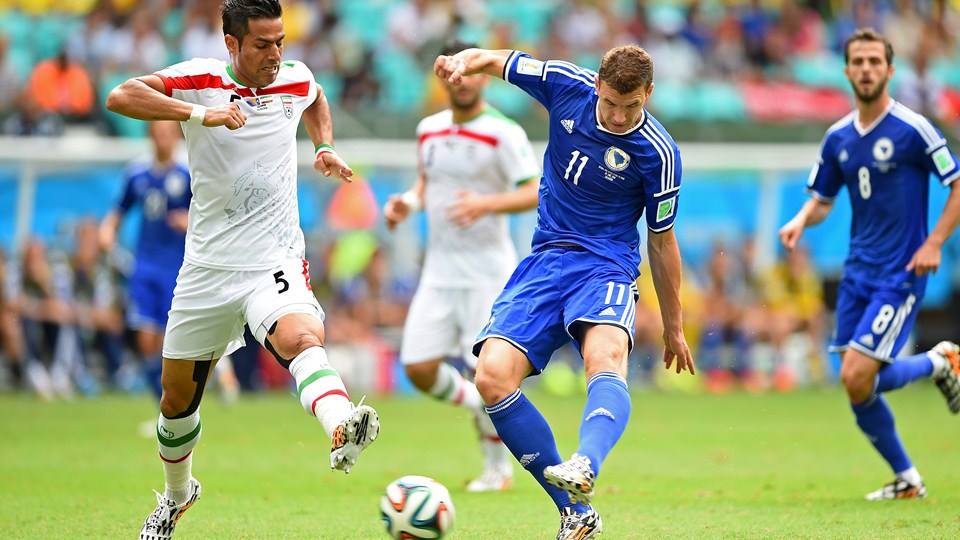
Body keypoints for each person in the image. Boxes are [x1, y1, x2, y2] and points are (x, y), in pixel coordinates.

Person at [105, 1, 380, 538]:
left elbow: (317, 95)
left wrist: (323, 145)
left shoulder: (293, 79)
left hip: (272, 256)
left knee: (302, 335)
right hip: (208, 266)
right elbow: (120, 95)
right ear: (232, 44)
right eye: (262, 44)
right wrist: (197, 113)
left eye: (280, 42)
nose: (275, 54)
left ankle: (341, 423)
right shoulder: (198, 79)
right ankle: (178, 497)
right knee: (175, 401)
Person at [434, 44, 695, 539]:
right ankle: (575, 512)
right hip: (547, 259)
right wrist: (464, 61)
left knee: (606, 354)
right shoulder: (564, 85)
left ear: (649, 95)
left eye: (632, 106)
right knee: (490, 377)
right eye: (613, 103)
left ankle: (586, 461)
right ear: (598, 84)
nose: (620, 117)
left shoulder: (660, 155)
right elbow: (500, 60)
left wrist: (675, 324)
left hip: (606, 266)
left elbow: (662, 242)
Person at [780, 28, 960, 501]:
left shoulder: (913, 129)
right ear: (846, 71)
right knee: (857, 386)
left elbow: (957, 184)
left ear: (889, 70)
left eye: (874, 62)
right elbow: (822, 199)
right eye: (857, 61)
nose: (865, 69)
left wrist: (936, 241)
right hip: (857, 272)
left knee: (858, 374)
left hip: (900, 273)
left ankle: (940, 360)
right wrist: (800, 220)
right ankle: (908, 479)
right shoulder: (838, 136)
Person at [385, 40, 541, 493]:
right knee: (416, 366)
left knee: (488, 372)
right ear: (445, 75)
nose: (467, 78)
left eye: (476, 70)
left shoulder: (503, 132)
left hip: (487, 270)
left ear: (483, 75)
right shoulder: (429, 129)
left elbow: (534, 190)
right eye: (459, 70)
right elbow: (425, 182)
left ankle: (498, 469)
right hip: (439, 268)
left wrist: (485, 204)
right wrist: (407, 203)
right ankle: (476, 405)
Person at [100, 121, 192, 399]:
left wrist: (189, 221)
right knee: (145, 336)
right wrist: (107, 230)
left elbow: (208, 215)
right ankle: (161, 402)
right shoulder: (137, 173)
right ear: (151, 136)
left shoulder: (188, 174)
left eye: (168, 133)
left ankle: (174, 402)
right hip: (145, 264)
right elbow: (120, 209)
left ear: (176, 136)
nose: (163, 138)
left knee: (169, 338)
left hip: (177, 267)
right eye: (158, 133)